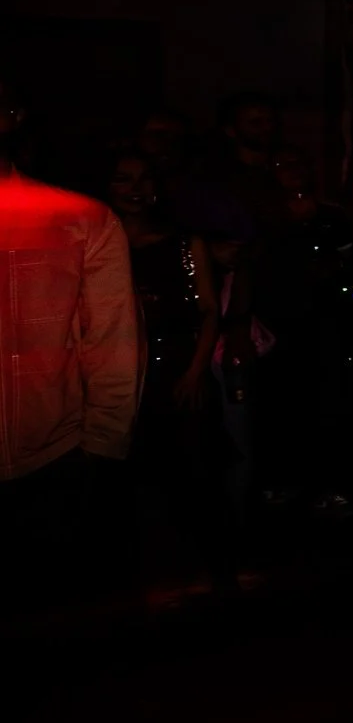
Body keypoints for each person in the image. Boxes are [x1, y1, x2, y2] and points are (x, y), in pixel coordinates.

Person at [0, 76, 141, 606]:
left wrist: (102, 444)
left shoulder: (81, 220)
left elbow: (112, 339)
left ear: (13, 117)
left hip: (51, 461)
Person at [108, 149, 231, 588]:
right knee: (133, 477)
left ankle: (209, 571)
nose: (135, 189)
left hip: (178, 366)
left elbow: (209, 310)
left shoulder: (183, 243)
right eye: (123, 178)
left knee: (193, 471)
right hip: (118, 373)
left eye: (144, 178)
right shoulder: (99, 242)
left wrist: (195, 371)